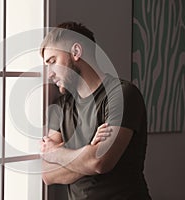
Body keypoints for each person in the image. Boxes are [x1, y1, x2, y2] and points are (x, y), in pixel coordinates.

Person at [40, 22, 151, 199]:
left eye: (53, 62)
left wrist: (55, 152)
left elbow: (99, 162)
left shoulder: (122, 95)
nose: (50, 73)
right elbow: (47, 173)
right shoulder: (61, 106)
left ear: (76, 52)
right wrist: (89, 149)